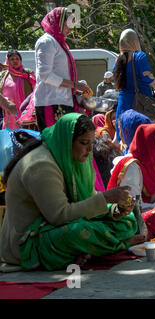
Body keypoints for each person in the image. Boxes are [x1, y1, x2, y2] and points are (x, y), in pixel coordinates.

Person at [0, 113, 144, 270]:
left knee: (127, 220)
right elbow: (59, 216)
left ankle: (86, 250)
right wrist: (105, 198)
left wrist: (115, 210)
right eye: (84, 143)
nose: (90, 149)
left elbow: (88, 198)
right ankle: (120, 245)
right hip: (31, 240)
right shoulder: (41, 165)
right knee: (78, 232)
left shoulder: (73, 156)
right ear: (67, 142)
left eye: (91, 142)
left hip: (63, 224)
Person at [33, 7, 92, 132]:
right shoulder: (46, 42)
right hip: (50, 101)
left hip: (63, 100)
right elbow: (45, 75)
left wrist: (76, 87)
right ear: (58, 21)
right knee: (54, 143)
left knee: (66, 142)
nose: (71, 29)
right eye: (68, 24)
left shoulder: (59, 43)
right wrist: (74, 85)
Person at [113, 28, 155, 141]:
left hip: (123, 104)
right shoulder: (139, 56)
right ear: (135, 41)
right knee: (141, 139)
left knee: (123, 138)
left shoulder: (118, 60)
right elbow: (147, 78)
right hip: (139, 104)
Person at [0, 50, 36, 129]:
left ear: (21, 60)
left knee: (25, 134)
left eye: (17, 59)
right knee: (10, 133)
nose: (15, 61)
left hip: (25, 109)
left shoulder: (27, 73)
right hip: (9, 111)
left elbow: (36, 90)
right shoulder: (3, 75)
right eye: (12, 59)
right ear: (8, 61)